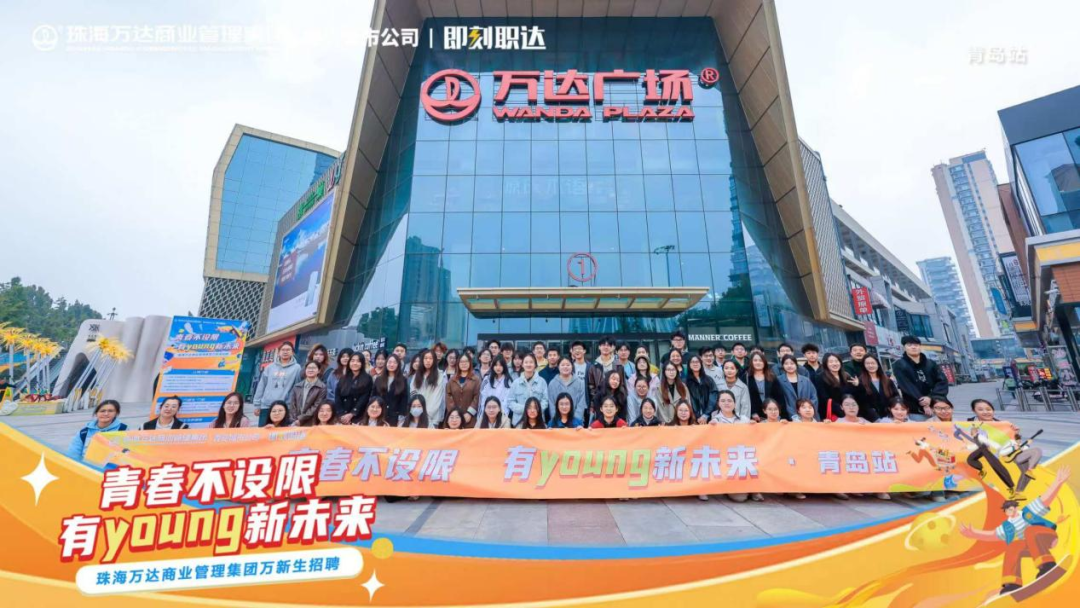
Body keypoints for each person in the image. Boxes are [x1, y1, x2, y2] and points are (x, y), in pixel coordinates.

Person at [959, 467, 1070, 595]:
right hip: (1033, 547)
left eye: (1013, 508)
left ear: (1016, 508)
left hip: (1046, 537)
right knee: (1013, 546)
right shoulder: (1008, 526)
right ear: (1006, 512)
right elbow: (993, 535)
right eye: (1009, 510)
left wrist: (1058, 482)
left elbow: (1045, 500)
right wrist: (974, 534)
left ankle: (1047, 565)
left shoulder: (1027, 512)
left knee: (1029, 531)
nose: (1012, 511)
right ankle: (1012, 583)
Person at [965, 399, 1043, 495]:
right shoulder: (969, 424)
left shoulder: (1003, 424)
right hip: (981, 451)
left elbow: (1013, 443)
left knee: (1027, 465)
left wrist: (1016, 433)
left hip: (1002, 453)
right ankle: (1014, 489)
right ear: (974, 411)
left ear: (993, 410)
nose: (985, 412)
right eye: (980, 409)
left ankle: (1018, 491)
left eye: (988, 409)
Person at [708, 391, 756, 502]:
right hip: (726, 461)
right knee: (740, 498)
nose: (726, 403)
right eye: (723, 401)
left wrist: (754, 426)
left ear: (734, 403)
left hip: (744, 459)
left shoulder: (743, 419)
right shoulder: (715, 421)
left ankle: (753, 489)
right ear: (718, 403)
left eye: (730, 401)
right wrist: (711, 427)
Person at [892, 335, 949, 419]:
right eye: (909, 345)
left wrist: (930, 397)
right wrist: (924, 403)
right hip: (915, 409)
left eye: (916, 345)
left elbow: (942, 381)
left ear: (920, 346)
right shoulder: (899, 364)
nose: (913, 347)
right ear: (904, 347)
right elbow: (907, 385)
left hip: (937, 406)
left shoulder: (931, 363)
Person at [252, 341, 302, 427]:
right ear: (279, 352)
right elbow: (262, 385)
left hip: (284, 407)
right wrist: (257, 404)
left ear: (293, 352)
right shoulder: (270, 367)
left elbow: (297, 388)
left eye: (288, 350)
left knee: (281, 432)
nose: (285, 352)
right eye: (283, 350)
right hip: (266, 405)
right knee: (263, 431)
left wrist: (294, 406)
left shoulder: (297, 368)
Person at [507, 353, 549, 426]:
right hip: (519, 422)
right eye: (526, 362)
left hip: (538, 421)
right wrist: (526, 409)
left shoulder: (542, 382)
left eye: (531, 362)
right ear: (522, 365)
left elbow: (545, 401)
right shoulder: (516, 383)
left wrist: (535, 410)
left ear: (535, 365)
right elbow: (510, 402)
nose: (528, 364)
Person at [547, 357, 587, 423]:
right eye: (562, 365)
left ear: (572, 366)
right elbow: (551, 404)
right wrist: (556, 421)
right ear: (558, 367)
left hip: (576, 422)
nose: (565, 367)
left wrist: (576, 421)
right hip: (557, 422)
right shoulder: (552, 383)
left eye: (568, 365)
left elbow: (581, 403)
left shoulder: (580, 382)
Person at [412, 349, 447, 425]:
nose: (428, 361)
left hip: (432, 417)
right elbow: (413, 393)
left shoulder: (440, 375)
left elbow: (437, 397)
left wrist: (427, 414)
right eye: (426, 358)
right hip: (417, 415)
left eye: (431, 358)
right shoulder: (416, 375)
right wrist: (418, 411)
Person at [777, 354, 817, 421]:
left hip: (808, 416)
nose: (789, 366)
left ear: (796, 365)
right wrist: (794, 416)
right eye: (786, 363)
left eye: (792, 363)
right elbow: (781, 401)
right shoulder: (779, 380)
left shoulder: (806, 380)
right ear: (783, 366)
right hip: (788, 417)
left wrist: (807, 410)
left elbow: (814, 397)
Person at [336, 352, 373, 424]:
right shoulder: (343, 378)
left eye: (358, 361)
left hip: (358, 416)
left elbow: (364, 398)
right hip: (342, 415)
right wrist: (341, 414)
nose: (355, 363)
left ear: (362, 363)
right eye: (352, 361)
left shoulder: (367, 378)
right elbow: (337, 396)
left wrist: (352, 413)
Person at [815, 353, 853, 422]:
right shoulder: (820, 377)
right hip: (832, 414)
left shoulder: (846, 375)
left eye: (836, 361)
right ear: (826, 364)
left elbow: (851, 393)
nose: (834, 364)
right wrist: (841, 410)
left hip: (849, 410)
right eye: (831, 362)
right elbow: (824, 398)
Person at [587, 336, 624, 406]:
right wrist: (595, 400)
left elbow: (622, 384)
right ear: (599, 347)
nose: (606, 347)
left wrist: (620, 399)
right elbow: (591, 386)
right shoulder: (594, 366)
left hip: (615, 401)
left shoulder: (618, 365)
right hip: (599, 401)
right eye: (603, 345)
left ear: (612, 347)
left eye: (609, 345)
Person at [746, 351, 784, 421]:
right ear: (751, 362)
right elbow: (746, 399)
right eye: (755, 360)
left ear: (764, 362)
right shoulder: (746, 377)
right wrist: (753, 412)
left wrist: (778, 412)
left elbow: (779, 397)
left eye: (760, 360)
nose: (758, 362)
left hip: (772, 414)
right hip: (754, 416)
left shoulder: (772, 377)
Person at [856, 354, 895, 421]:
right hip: (871, 420)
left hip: (890, 417)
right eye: (867, 363)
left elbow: (895, 397)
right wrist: (876, 418)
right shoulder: (860, 382)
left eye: (873, 363)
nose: (870, 365)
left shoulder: (887, 380)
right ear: (864, 366)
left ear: (878, 364)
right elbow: (862, 403)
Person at [374, 354, 409, 425]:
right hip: (379, 414)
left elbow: (404, 400)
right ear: (386, 363)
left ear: (398, 365)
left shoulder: (403, 380)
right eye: (389, 362)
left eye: (395, 362)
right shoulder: (379, 379)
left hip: (395, 416)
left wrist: (401, 417)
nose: (392, 365)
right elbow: (374, 396)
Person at [685, 355, 719, 424]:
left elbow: (713, 396)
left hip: (709, 416)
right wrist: (696, 416)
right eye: (693, 362)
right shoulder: (686, 382)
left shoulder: (709, 379)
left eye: (697, 362)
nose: (695, 364)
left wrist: (706, 415)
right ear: (689, 365)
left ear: (701, 364)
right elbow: (687, 400)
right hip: (693, 418)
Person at [446, 353, 480, 421]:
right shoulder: (452, 380)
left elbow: (477, 397)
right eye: (461, 362)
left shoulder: (476, 379)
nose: (464, 364)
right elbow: (448, 396)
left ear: (470, 363)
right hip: (454, 418)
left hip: (470, 418)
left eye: (466, 361)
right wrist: (455, 413)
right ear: (458, 363)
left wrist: (469, 413)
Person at [479, 354, 513, 423]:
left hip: (502, 415)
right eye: (496, 365)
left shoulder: (508, 381)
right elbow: (483, 399)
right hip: (487, 414)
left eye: (500, 365)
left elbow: (507, 401)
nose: (498, 368)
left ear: (504, 367)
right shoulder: (487, 379)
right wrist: (487, 412)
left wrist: (498, 413)